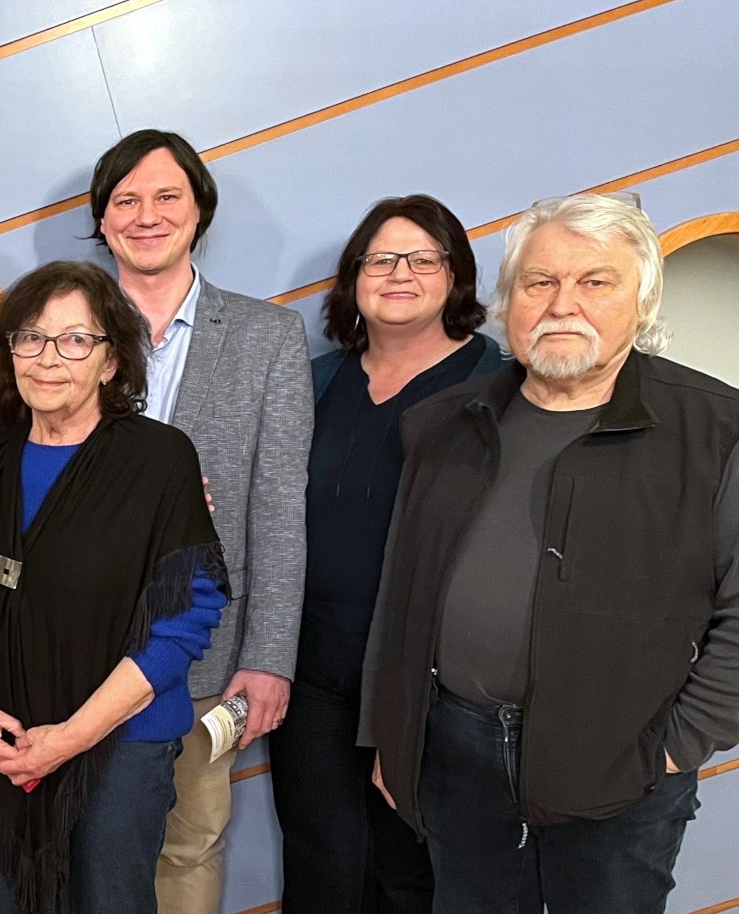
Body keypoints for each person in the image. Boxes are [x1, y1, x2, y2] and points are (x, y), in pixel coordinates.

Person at [360, 193, 739, 913]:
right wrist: (395, 731)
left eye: (595, 281)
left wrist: (675, 747)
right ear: (510, 303)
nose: (563, 303)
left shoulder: (717, 430)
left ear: (643, 299)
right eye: (540, 282)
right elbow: (400, 592)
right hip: (455, 753)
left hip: (621, 764)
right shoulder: (444, 423)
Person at [0, 260, 228, 913]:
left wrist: (71, 737)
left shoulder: (160, 459)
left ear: (111, 362)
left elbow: (184, 618)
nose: (49, 357)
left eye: (76, 340)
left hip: (120, 747)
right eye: (30, 338)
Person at [85, 128, 313, 912]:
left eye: (166, 197)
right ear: (104, 220)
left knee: (191, 843)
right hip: (70, 648)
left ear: (198, 211)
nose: (146, 215)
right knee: (74, 849)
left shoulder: (268, 337)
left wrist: (270, 658)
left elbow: (281, 507)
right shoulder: (57, 328)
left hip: (208, 653)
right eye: (126, 200)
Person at [267, 195, 505, 914]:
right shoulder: (312, 383)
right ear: (353, 278)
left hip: (431, 680)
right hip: (312, 673)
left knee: (415, 870)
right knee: (321, 865)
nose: (399, 273)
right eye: (380, 259)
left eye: (422, 257)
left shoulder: (501, 389)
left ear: (455, 274)